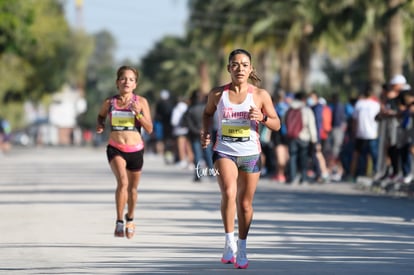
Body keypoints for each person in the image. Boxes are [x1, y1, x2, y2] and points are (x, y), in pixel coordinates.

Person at [201, 49, 281, 269]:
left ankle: (242, 246)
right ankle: (229, 242)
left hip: (250, 154)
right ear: (228, 68)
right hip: (224, 150)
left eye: (245, 65)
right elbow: (207, 114)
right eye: (235, 65)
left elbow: (277, 123)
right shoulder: (217, 94)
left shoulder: (260, 95)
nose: (240, 69)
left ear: (251, 69)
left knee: (245, 204)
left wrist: (262, 118)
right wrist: (206, 132)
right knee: (229, 192)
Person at [96, 65, 153, 239]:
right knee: (123, 182)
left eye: (131, 79)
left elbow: (149, 129)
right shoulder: (109, 102)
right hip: (115, 147)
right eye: (123, 79)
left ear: (135, 84)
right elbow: (101, 116)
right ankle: (119, 220)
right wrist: (100, 124)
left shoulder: (141, 102)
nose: (126, 82)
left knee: (133, 190)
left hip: (136, 150)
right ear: (117, 82)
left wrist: (139, 115)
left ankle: (130, 218)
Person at [285, 91, 318, 184]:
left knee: (292, 157)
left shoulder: (289, 109)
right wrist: (314, 139)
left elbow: (284, 121)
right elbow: (311, 125)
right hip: (304, 137)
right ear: (304, 99)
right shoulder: (306, 110)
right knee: (303, 157)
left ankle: (292, 177)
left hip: (292, 137)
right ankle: (304, 178)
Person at [349, 85, 380, 180]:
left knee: (361, 154)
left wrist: (354, 131)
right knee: (371, 154)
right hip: (371, 133)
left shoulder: (359, 103)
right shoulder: (375, 104)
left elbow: (354, 120)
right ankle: (373, 172)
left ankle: (361, 173)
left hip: (362, 133)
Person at [183, 90, 214, 182]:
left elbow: (188, 124)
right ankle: (211, 172)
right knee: (208, 154)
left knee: (197, 155)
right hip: (206, 134)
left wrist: (197, 131)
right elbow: (211, 122)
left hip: (195, 135)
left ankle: (198, 175)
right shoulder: (206, 108)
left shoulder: (190, 109)